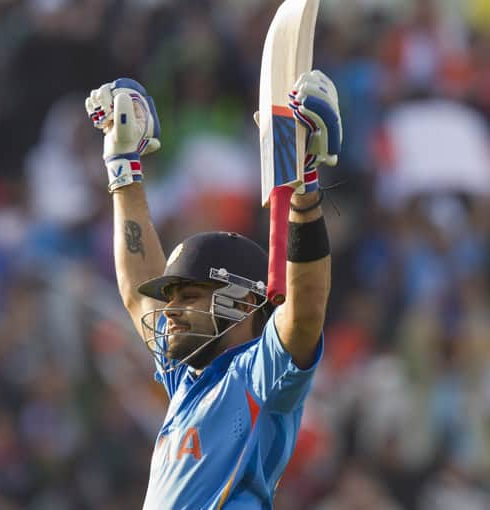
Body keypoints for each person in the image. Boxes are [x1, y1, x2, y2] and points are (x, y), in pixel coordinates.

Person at [85, 72, 342, 509]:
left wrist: (305, 188)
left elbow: (305, 309)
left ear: (242, 301)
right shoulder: (186, 379)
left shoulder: (260, 375)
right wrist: (123, 169)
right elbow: (136, 294)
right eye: (172, 298)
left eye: (189, 296)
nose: (170, 310)